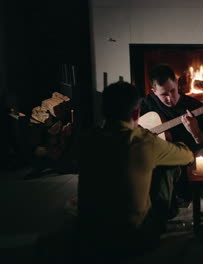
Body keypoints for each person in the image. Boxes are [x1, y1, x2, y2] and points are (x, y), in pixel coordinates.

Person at [78, 81, 194, 260]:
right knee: (170, 165)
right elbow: (187, 156)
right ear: (136, 113)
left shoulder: (86, 140)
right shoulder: (144, 141)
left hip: (89, 236)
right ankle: (165, 217)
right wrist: (172, 144)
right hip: (133, 238)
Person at [140, 65, 203, 199]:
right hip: (158, 156)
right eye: (164, 94)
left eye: (173, 91)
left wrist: (195, 132)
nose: (170, 98)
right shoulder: (146, 104)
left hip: (188, 155)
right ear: (153, 92)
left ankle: (180, 182)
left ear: (176, 84)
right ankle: (184, 184)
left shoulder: (195, 107)